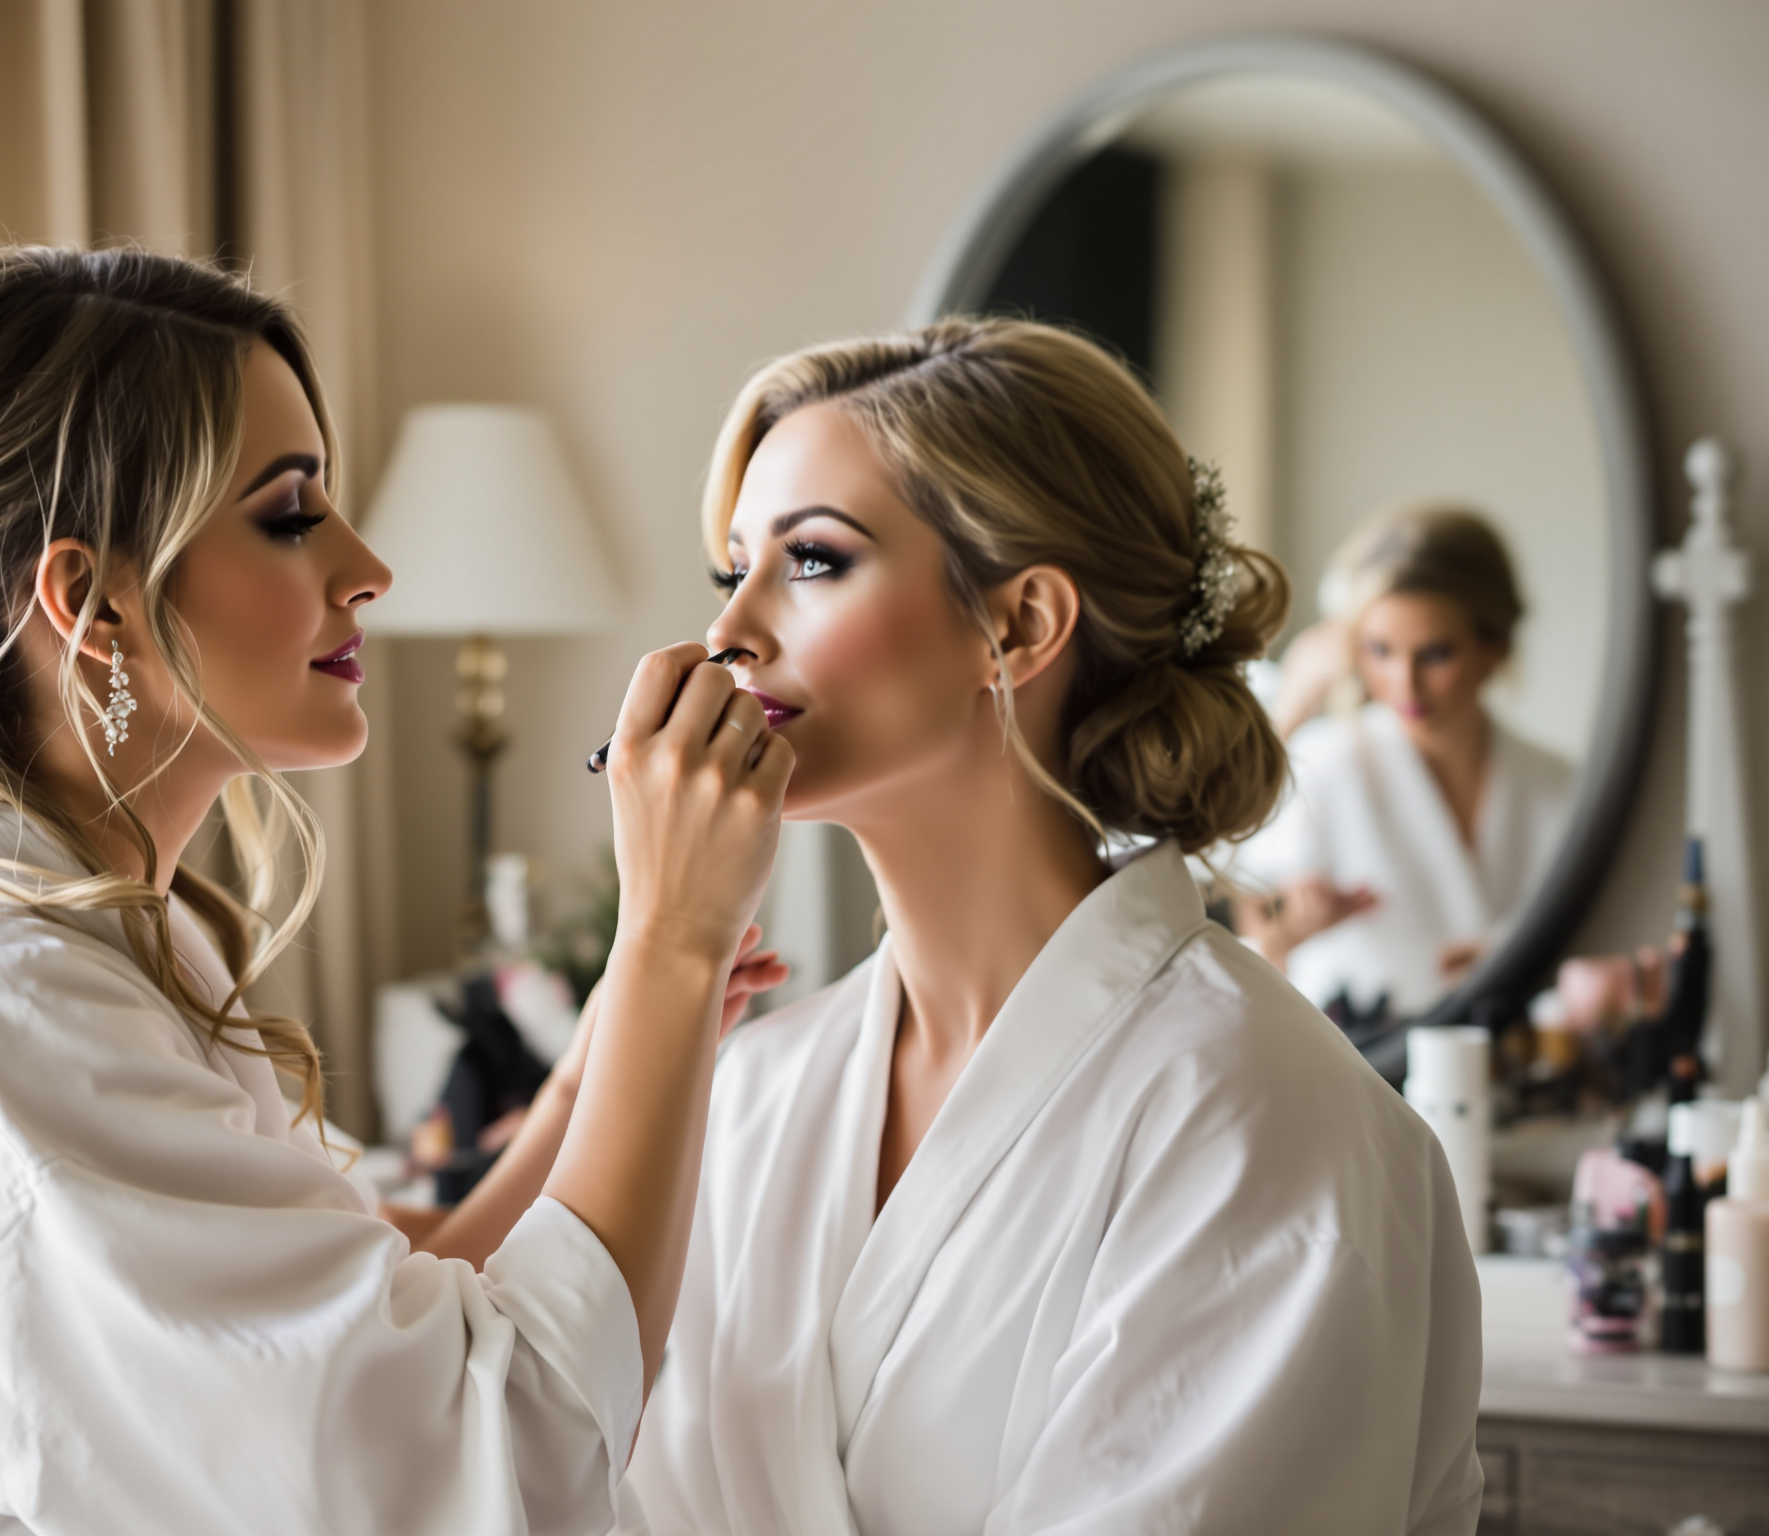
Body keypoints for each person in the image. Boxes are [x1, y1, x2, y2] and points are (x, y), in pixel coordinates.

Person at [0, 248, 793, 1536]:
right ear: (92, 603)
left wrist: (614, 1033)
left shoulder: (89, 932)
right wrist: (673, 942)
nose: (367, 569)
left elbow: (369, 1338)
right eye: (291, 515)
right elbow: (486, 1465)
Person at [598, 320, 1482, 1533]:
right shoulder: (752, 1092)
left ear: (1015, 627)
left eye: (809, 561)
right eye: (730, 571)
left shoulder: (1259, 1114)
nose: (727, 635)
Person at [1232, 505, 1577, 1018]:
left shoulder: (1559, 785)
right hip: (1355, 1064)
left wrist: (1513, 956)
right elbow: (1258, 924)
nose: (1404, 683)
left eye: (1435, 654)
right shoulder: (1325, 762)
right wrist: (1299, 919)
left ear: (1493, 646)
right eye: (1380, 651)